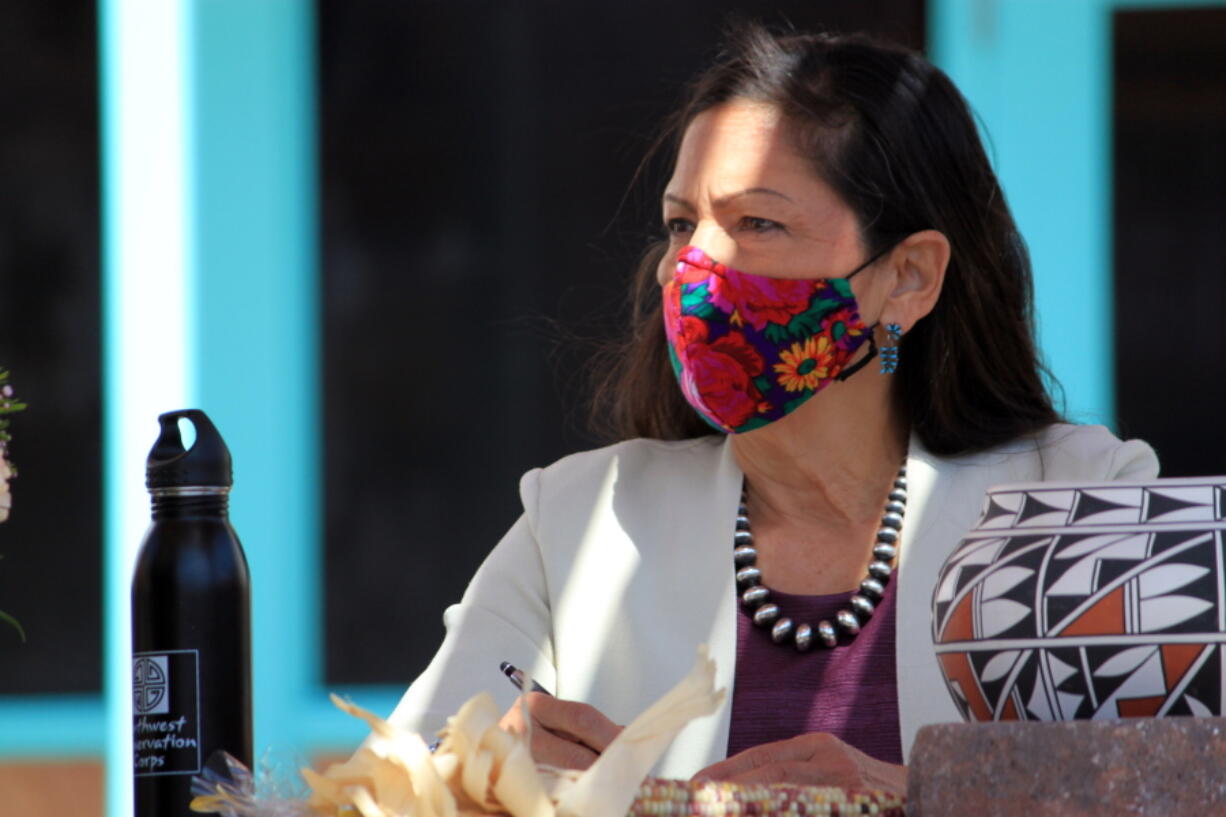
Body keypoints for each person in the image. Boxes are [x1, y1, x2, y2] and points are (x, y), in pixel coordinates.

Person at [384, 25, 1158, 797]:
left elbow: (1174, 785)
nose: (695, 266)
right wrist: (481, 772)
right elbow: (393, 781)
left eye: (757, 223)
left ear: (909, 278)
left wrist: (917, 792)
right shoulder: (579, 517)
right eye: (683, 224)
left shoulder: (1081, 500)